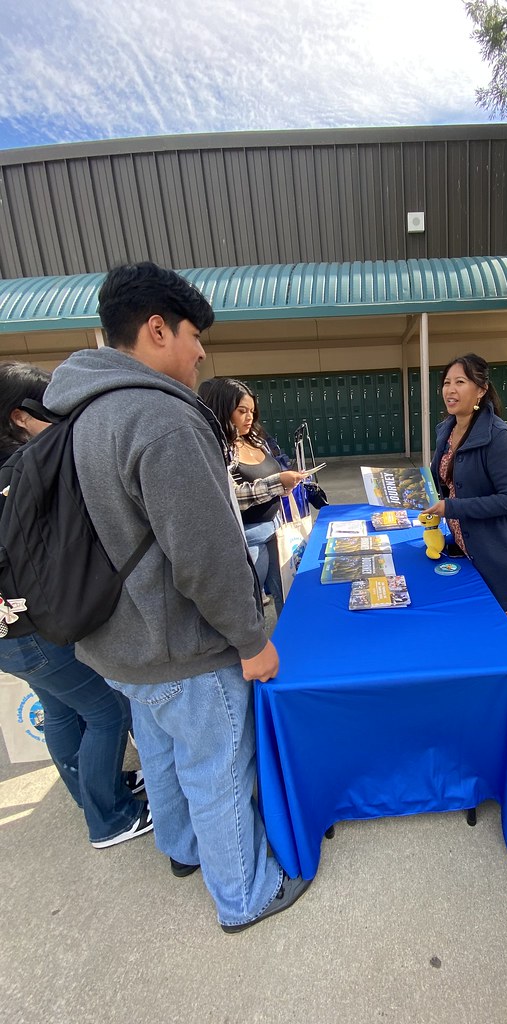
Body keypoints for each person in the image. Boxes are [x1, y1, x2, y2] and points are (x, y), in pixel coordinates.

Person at [43, 262, 311, 932]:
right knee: (217, 768)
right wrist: (252, 642)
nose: (200, 353)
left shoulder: (79, 412)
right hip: (183, 647)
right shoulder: (161, 418)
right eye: (195, 337)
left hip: (119, 644)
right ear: (156, 328)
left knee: (161, 753)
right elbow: (207, 556)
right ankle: (243, 896)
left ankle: (183, 850)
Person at [0, 361, 151, 848]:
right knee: (108, 712)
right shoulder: (17, 473)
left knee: (62, 712)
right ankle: (110, 818)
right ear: (20, 416)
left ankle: (93, 794)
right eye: (50, 406)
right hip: (29, 629)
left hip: (12, 636)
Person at [425, 353, 507, 638]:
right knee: (470, 635)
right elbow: (440, 481)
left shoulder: (499, 437)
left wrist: (451, 507)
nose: (450, 390)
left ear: (481, 389)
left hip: (499, 559)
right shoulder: (447, 429)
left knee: (499, 645)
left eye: (460, 382)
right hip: (466, 547)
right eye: (446, 382)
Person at [199, 378, 306, 617]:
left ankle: (287, 649)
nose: (249, 417)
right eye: (241, 411)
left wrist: (285, 484)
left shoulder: (255, 440)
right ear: (222, 410)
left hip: (276, 531)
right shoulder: (215, 448)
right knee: (250, 609)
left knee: (287, 596)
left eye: (252, 411)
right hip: (249, 540)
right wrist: (277, 482)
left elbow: (272, 477)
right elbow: (230, 495)